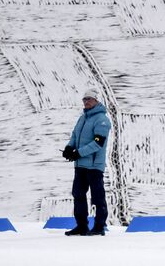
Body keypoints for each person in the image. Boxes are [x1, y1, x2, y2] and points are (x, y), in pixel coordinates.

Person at [62, 88, 111, 236]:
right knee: (78, 195)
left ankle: (99, 226)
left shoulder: (102, 120)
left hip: (94, 166)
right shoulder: (82, 118)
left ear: (97, 101)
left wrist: (78, 153)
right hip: (81, 165)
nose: (86, 102)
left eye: (89, 99)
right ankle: (82, 226)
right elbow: (75, 136)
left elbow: (98, 143)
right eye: (84, 99)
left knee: (97, 197)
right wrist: (69, 148)